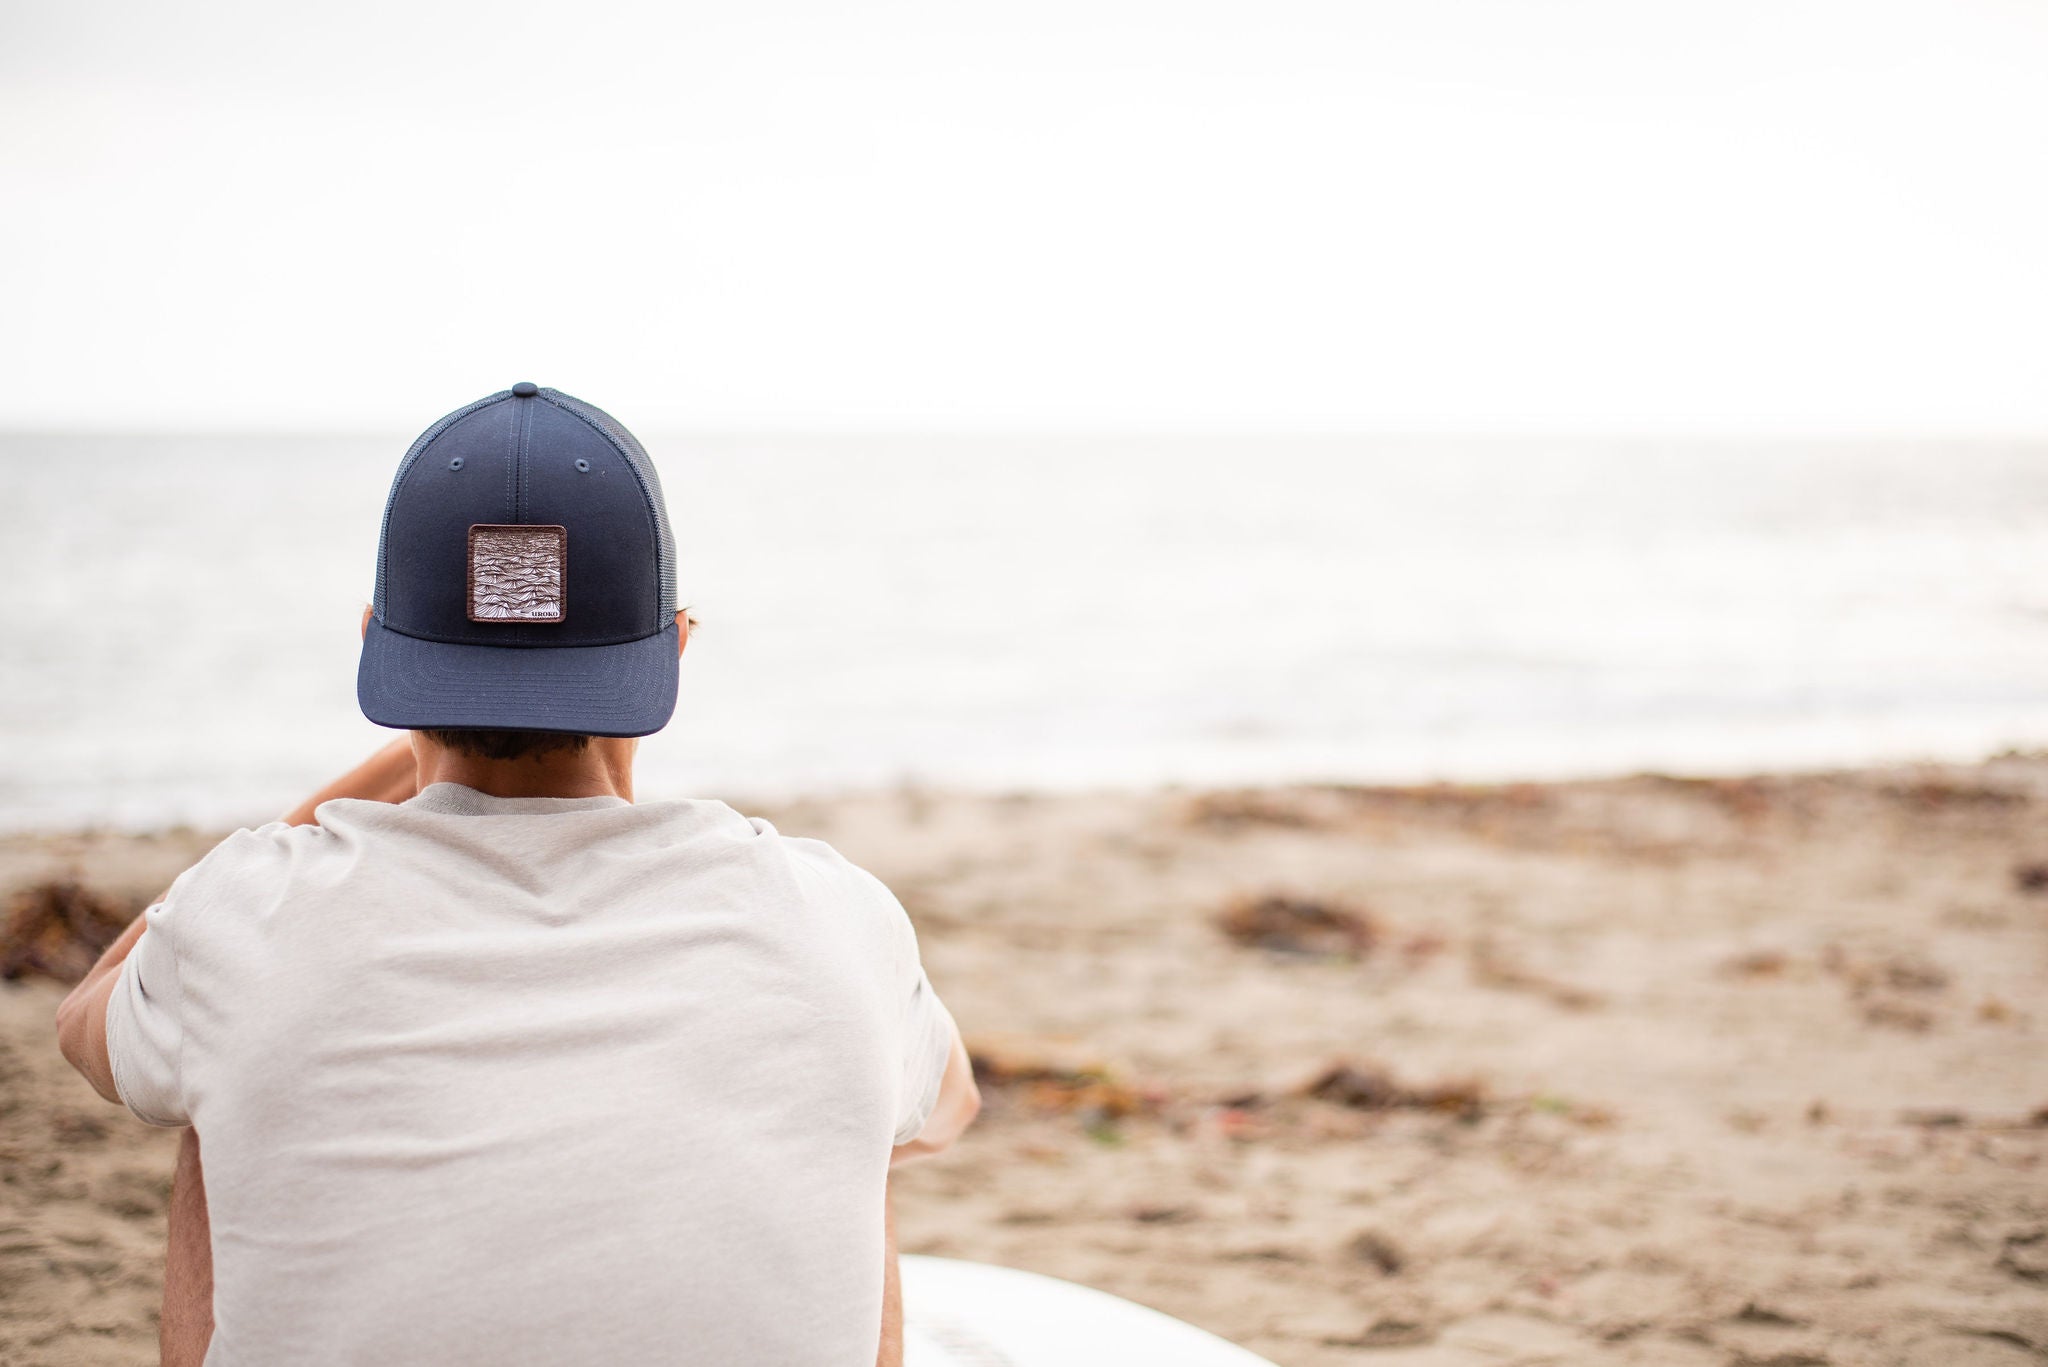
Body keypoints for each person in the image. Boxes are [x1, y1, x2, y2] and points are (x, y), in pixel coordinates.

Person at [54, 384, 979, 1366]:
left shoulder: (250, 907)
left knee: (216, 1097)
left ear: (377, 644)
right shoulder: (830, 913)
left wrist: (381, 768)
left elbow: (89, 1019)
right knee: (862, 1116)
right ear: (674, 648)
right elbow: (947, 1105)